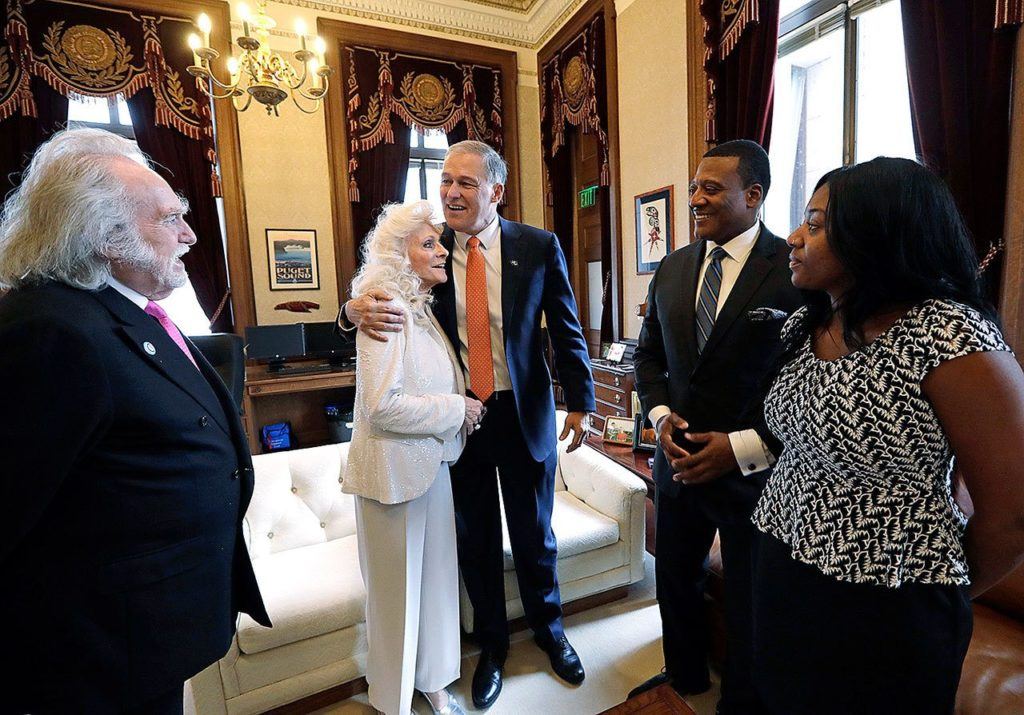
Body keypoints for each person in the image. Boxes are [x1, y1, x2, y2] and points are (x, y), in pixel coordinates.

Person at [0, 128, 269, 713]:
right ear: (104, 236)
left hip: (145, 633)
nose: (191, 234)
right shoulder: (50, 330)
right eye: (170, 217)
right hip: (88, 652)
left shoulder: (122, 310)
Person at [751, 157, 1024, 714]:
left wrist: (932, 585)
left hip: (888, 598)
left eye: (817, 223)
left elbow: (1014, 511)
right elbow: (800, 439)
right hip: (781, 567)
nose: (794, 237)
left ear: (877, 233)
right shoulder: (805, 324)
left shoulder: (949, 335)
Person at [339, 140, 595, 709]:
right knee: (475, 541)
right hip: (461, 421)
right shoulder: (431, 248)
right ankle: (494, 648)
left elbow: (568, 328)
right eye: (446, 181)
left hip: (523, 411)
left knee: (535, 537)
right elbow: (378, 284)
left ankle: (552, 634)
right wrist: (349, 309)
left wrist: (582, 402)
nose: (451, 193)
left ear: (496, 192)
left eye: (466, 184)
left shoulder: (538, 245)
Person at [632, 140, 803, 713]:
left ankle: (743, 702)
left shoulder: (794, 271)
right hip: (675, 463)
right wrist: (659, 417)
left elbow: (809, 380)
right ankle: (683, 676)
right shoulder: (675, 267)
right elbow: (649, 357)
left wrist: (743, 448)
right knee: (675, 581)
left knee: (752, 601)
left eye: (711, 189)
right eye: (695, 187)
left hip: (756, 475)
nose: (696, 198)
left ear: (753, 196)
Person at [343, 200, 481, 715]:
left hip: (433, 466)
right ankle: (392, 701)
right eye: (428, 243)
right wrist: (456, 407)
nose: (442, 249)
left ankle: (434, 682)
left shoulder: (422, 303)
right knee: (395, 600)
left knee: (438, 585)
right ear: (398, 254)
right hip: (391, 476)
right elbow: (382, 407)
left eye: (439, 241)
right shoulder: (384, 304)